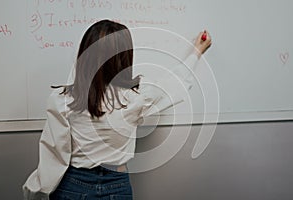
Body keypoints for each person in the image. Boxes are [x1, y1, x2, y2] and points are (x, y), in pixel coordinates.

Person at [23, 19, 212, 200]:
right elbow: (174, 83)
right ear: (125, 57)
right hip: (117, 185)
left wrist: (34, 194)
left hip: (73, 186)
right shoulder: (136, 98)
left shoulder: (63, 99)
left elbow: (54, 155)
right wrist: (197, 51)